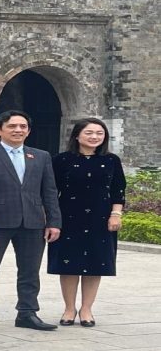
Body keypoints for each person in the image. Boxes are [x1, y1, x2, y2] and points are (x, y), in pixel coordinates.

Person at [0, 110, 62, 333]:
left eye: (23, 126)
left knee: (30, 272)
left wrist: (54, 222)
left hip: (32, 222)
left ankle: (27, 313)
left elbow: (49, 191)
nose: (18, 130)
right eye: (12, 126)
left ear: (28, 131)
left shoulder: (41, 156)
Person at [47, 118, 126, 328]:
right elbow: (51, 191)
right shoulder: (61, 160)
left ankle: (87, 308)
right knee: (68, 264)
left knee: (95, 263)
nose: (94, 137)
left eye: (99, 133)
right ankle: (69, 308)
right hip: (68, 218)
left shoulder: (111, 160)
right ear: (77, 135)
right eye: (89, 133)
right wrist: (51, 218)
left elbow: (118, 190)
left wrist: (116, 214)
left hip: (100, 219)